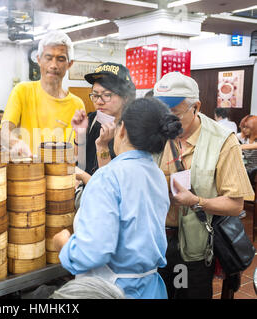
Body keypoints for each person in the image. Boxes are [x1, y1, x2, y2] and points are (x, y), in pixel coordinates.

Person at [53, 97, 182, 299]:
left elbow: (92, 253)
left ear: (122, 131)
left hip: (113, 291)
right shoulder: (155, 173)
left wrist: (64, 245)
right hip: (149, 289)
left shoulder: (107, 178)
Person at [153, 72, 254, 299]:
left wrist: (197, 202)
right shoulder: (155, 134)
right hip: (156, 242)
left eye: (174, 115)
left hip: (194, 247)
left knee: (189, 293)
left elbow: (236, 204)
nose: (165, 121)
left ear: (196, 107)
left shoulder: (222, 141)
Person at [0, 30, 85, 156]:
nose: (53, 65)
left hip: (60, 173)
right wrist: (16, 143)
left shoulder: (77, 104)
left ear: (69, 64)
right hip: (28, 171)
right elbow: (4, 133)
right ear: (39, 60)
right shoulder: (22, 91)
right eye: (48, 58)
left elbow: (78, 151)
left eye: (61, 59)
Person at [71, 62, 136, 187]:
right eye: (95, 95)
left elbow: (113, 187)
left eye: (107, 95)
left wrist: (85, 177)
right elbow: (79, 161)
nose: (99, 102)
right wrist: (79, 134)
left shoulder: (132, 131)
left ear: (126, 97)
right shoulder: (91, 119)